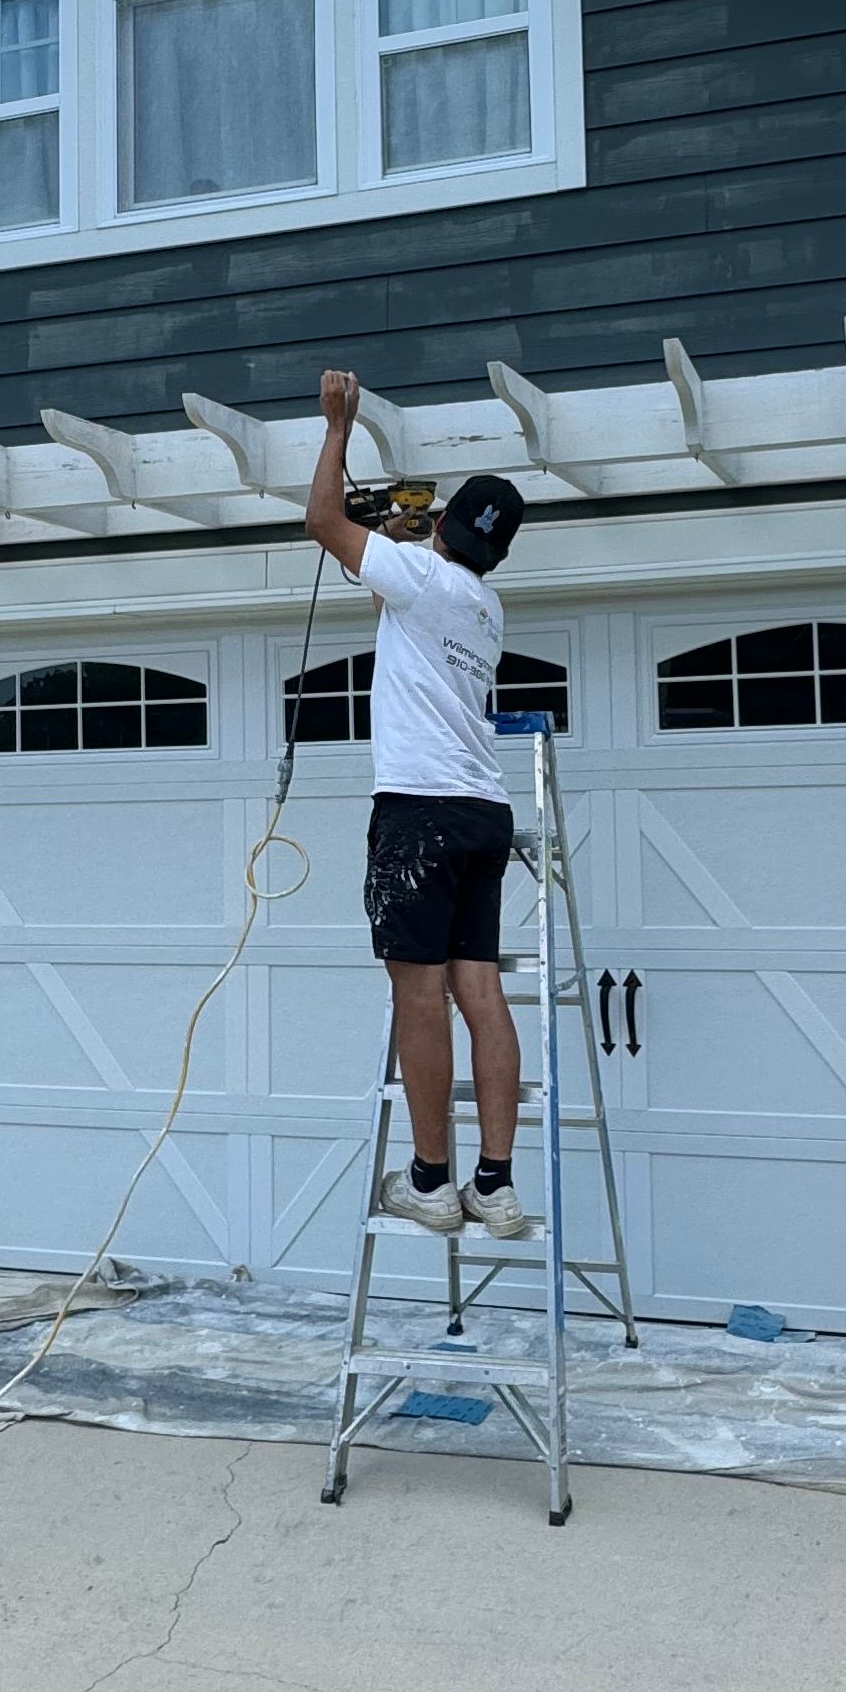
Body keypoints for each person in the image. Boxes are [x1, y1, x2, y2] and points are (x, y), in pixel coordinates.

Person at [304, 368, 531, 1240]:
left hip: (420, 812)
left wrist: (337, 429)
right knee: (479, 989)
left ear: (440, 527)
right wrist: (401, 537)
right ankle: (495, 1184)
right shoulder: (482, 604)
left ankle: (431, 1182)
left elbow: (323, 523)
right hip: (483, 811)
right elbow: (398, 598)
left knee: (418, 995)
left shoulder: (424, 577)